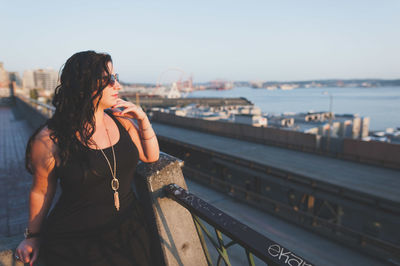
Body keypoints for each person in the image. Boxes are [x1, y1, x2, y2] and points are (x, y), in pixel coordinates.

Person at [15, 50, 160, 266]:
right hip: (76, 244)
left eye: (116, 77)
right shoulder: (50, 139)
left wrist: (143, 119)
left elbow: (150, 156)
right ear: (84, 84)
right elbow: (41, 190)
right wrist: (33, 237)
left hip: (129, 232)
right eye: (108, 79)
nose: (117, 85)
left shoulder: (123, 123)